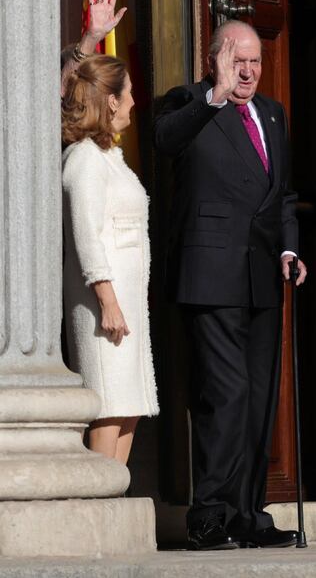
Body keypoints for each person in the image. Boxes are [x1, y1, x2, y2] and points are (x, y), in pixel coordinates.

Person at [154, 20, 307, 550]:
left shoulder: (272, 113)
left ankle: (247, 514)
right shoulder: (188, 101)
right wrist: (215, 96)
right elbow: (166, 141)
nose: (248, 71)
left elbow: (282, 193)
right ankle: (209, 516)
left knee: (260, 397)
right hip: (210, 274)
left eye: (255, 62)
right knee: (227, 393)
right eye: (238, 60)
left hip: (264, 272)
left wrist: (290, 248)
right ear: (216, 57)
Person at [62, 54, 159, 465]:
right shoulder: (84, 158)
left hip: (126, 306)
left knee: (128, 404)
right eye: (130, 92)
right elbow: (86, 234)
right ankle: (94, 517)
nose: (135, 101)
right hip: (107, 309)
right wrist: (109, 302)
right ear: (113, 102)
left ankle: (114, 512)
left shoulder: (108, 157)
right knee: (108, 407)